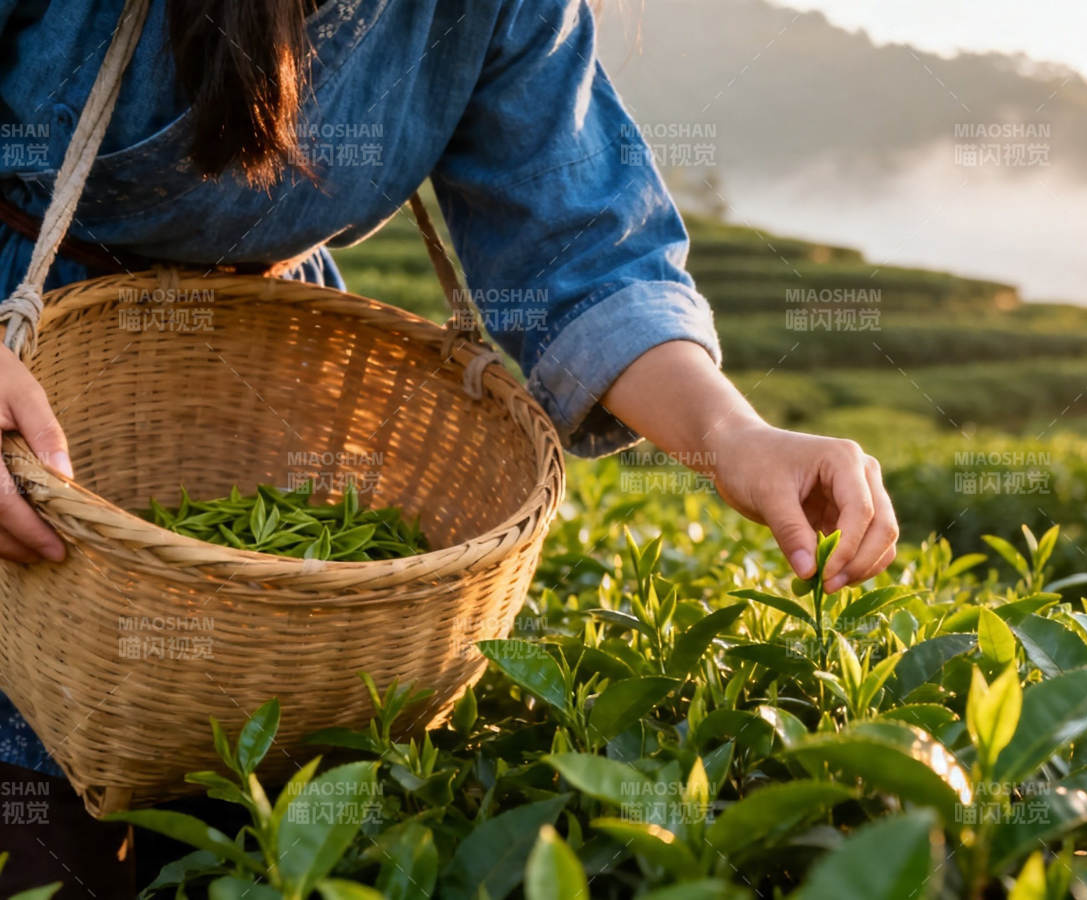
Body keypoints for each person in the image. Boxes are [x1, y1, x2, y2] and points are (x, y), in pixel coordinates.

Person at [0, 0, 899, 890]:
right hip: (30, 346)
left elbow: (583, 252)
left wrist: (733, 436)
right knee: (43, 842)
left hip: (274, 373)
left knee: (257, 809)